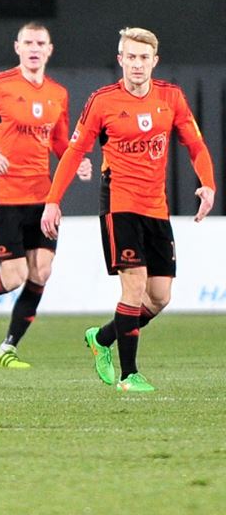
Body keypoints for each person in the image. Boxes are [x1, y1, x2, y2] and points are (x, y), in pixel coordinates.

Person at [40, 27, 216, 392]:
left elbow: (196, 145)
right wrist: (53, 200)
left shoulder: (171, 97)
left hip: (156, 208)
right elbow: (74, 152)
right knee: (133, 286)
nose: (137, 64)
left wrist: (208, 184)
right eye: (131, 57)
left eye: (144, 57)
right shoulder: (102, 101)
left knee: (160, 297)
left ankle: (102, 338)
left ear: (155, 61)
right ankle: (129, 375)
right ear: (120, 60)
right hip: (119, 204)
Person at [0, 22, 92, 368]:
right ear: (17, 47)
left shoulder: (58, 94)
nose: (34, 48)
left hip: (42, 195)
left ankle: (7, 349)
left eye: (40, 43)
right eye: (28, 42)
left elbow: (59, 141)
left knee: (41, 271)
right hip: (5, 193)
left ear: (49, 50)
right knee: (14, 277)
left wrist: (76, 162)